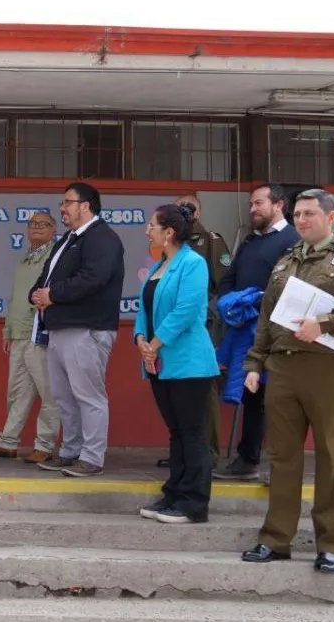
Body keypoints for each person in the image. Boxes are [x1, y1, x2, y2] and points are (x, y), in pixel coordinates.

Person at [240, 189, 334, 574]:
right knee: (282, 458)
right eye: (298, 214)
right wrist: (255, 363)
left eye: (310, 213)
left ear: (330, 217)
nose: (302, 220)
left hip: (327, 369)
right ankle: (276, 539)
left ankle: (331, 543)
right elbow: (268, 316)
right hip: (283, 368)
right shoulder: (286, 260)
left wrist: (325, 324)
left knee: (332, 457)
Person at [30, 182, 125, 478]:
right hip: (60, 329)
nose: (62, 208)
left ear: (86, 205)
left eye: (68, 203)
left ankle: (92, 456)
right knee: (64, 396)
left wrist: (53, 295)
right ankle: (70, 451)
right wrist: (36, 294)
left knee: (88, 395)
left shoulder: (102, 238)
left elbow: (92, 278)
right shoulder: (68, 240)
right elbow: (46, 276)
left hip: (86, 328)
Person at [134, 204, 220, 524]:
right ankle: (174, 493)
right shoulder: (161, 264)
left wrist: (154, 345)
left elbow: (186, 311)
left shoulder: (193, 263)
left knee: (192, 432)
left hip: (188, 363)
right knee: (176, 432)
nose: (147, 230)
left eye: (152, 225)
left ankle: (194, 502)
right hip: (159, 361)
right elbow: (145, 309)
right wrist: (142, 339)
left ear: (168, 232)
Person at [214, 184, 299, 481]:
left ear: (279, 205)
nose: (253, 209)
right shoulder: (250, 241)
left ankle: (278, 464)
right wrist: (229, 303)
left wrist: (256, 302)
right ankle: (248, 459)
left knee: (275, 398)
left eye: (258, 203)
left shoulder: (293, 241)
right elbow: (229, 280)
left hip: (277, 333)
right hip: (244, 331)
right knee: (252, 393)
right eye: (251, 204)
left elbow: (291, 289)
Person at [0, 211, 61, 464]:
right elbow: (16, 297)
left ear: (53, 229)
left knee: (49, 393)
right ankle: (7, 442)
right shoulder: (25, 259)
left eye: (43, 224)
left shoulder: (55, 256)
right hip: (19, 334)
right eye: (32, 224)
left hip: (39, 332)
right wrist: (8, 330)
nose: (36, 228)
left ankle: (44, 445)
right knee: (17, 392)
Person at [154, 193, 231, 469]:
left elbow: (223, 284)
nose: (184, 211)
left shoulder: (209, 241)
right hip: (168, 330)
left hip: (202, 326)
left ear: (198, 213)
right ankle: (182, 452)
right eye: (178, 207)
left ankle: (206, 453)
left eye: (189, 207)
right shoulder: (169, 246)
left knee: (203, 392)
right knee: (173, 392)